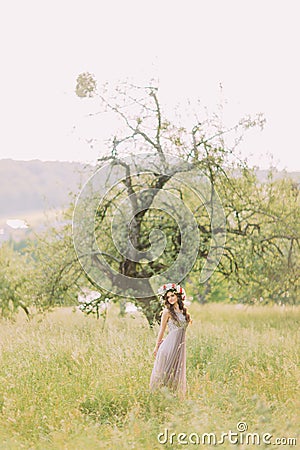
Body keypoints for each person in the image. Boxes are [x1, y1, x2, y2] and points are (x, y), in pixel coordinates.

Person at [149, 283, 192, 397]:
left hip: (180, 346)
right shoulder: (167, 312)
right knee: (166, 373)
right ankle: (158, 396)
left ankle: (173, 396)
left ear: (177, 296)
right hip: (169, 346)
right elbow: (161, 330)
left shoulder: (184, 311)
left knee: (176, 371)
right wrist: (156, 347)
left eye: (172, 295)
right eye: (168, 297)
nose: (170, 298)